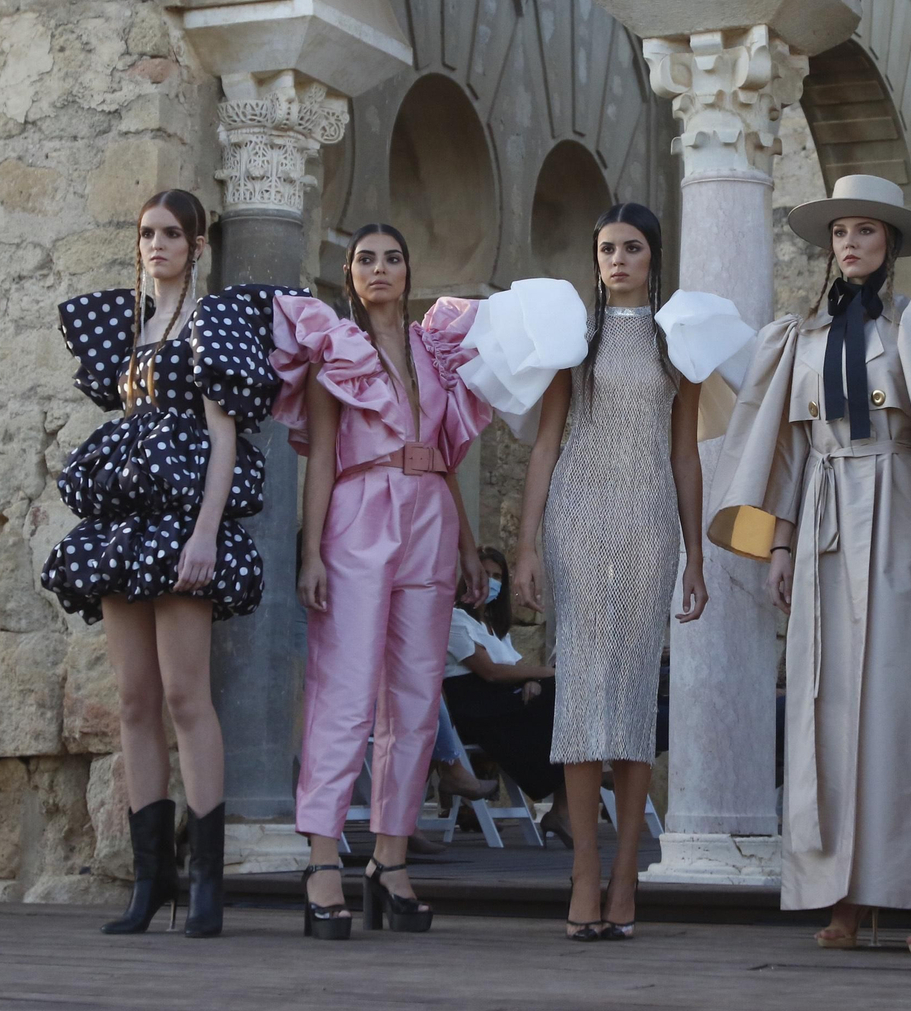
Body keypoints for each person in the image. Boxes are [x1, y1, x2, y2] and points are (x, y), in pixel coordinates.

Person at [708, 174, 911, 956]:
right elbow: (796, 449)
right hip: (826, 528)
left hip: (902, 509)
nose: (851, 244)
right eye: (841, 233)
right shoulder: (798, 336)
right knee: (825, 709)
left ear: (891, 245)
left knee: (909, 709)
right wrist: (780, 543)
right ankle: (842, 892)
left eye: (866, 232)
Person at [40, 189, 300, 938]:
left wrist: (207, 534)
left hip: (183, 526)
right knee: (133, 704)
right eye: (149, 233)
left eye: (173, 234)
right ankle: (150, 879)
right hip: (123, 528)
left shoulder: (211, 321)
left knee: (188, 698)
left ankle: (207, 884)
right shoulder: (126, 327)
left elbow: (225, 438)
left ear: (197, 245)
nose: (158, 245)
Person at [510, 203, 751, 942]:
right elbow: (547, 445)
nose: (618, 259)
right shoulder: (572, 344)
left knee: (634, 692)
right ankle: (585, 870)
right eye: (608, 247)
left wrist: (698, 555)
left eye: (633, 248)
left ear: (654, 258)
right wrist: (524, 546)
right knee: (582, 688)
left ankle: (625, 870)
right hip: (576, 518)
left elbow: (685, 454)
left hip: (648, 518)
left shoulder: (676, 344)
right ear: (595, 256)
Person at [272, 224, 491, 940]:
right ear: (350, 272)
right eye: (366, 259)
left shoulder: (434, 350)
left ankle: (390, 860)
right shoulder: (334, 347)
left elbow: (446, 455)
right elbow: (322, 459)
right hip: (359, 513)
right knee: (345, 686)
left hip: (430, 514)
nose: (380, 269)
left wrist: (463, 543)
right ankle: (324, 858)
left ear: (408, 271)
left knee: (417, 694)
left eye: (392, 258)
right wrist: (311, 554)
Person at [443, 546, 573, 846]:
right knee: (558, 693)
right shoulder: (454, 619)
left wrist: (531, 680)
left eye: (497, 576)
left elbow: (515, 669)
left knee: (562, 699)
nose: (490, 581)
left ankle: (563, 808)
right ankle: (576, 788)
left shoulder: (495, 628)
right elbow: (490, 672)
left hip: (502, 699)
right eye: (485, 573)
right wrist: (544, 674)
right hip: (476, 705)